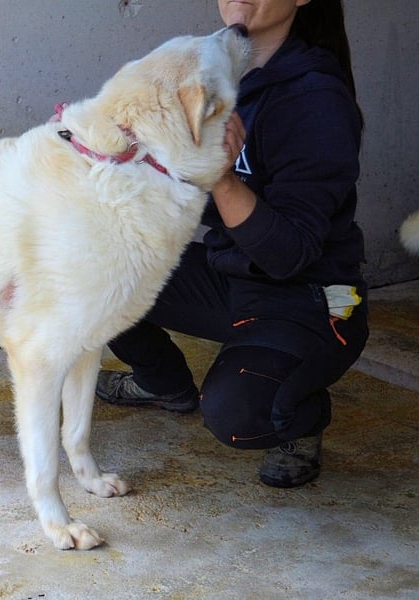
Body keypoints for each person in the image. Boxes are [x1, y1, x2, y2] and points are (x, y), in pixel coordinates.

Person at [96, 0, 368, 488]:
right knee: (95, 266)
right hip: (235, 275)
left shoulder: (315, 97)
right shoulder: (206, 69)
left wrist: (220, 176)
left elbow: (290, 254)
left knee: (235, 413)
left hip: (310, 299)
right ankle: (163, 384)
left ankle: (301, 418)